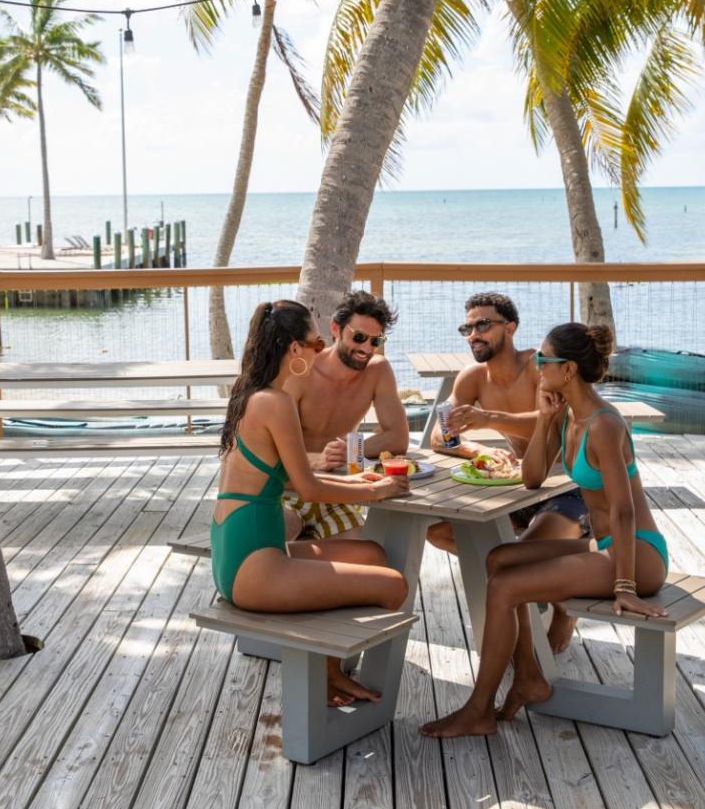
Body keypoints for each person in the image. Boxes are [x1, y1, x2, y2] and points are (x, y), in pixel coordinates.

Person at [419, 322, 668, 739]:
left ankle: (478, 709)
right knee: (498, 560)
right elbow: (532, 478)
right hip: (604, 546)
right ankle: (529, 677)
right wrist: (547, 420)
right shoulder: (568, 414)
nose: (536, 365)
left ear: (567, 370)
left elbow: (624, 511)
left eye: (543, 360)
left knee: (505, 587)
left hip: (637, 556)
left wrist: (625, 586)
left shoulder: (605, 424)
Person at [212, 299, 410, 707]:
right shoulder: (277, 402)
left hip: (241, 549)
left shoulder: (254, 393)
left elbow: (290, 477)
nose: (319, 350)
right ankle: (328, 673)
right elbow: (309, 490)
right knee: (394, 585)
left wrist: (364, 480)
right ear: (293, 348)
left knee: (372, 553)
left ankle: (329, 670)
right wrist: (375, 491)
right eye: (314, 343)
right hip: (253, 568)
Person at [425, 292, 593, 652]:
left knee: (514, 565)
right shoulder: (472, 377)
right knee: (437, 532)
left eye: (484, 324)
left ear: (511, 327)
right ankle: (550, 580)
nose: (474, 334)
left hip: (568, 489)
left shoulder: (540, 366)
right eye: (468, 328)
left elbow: (550, 422)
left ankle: (564, 603)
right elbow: (441, 433)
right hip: (521, 488)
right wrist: (481, 449)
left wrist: (489, 419)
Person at [283, 290, 410, 540]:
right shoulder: (301, 372)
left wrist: (354, 450)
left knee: (362, 549)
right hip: (288, 488)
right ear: (335, 328)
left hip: (337, 491)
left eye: (376, 341)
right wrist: (316, 461)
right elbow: (268, 450)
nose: (366, 348)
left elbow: (398, 438)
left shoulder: (378, 370)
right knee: (281, 534)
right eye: (359, 337)